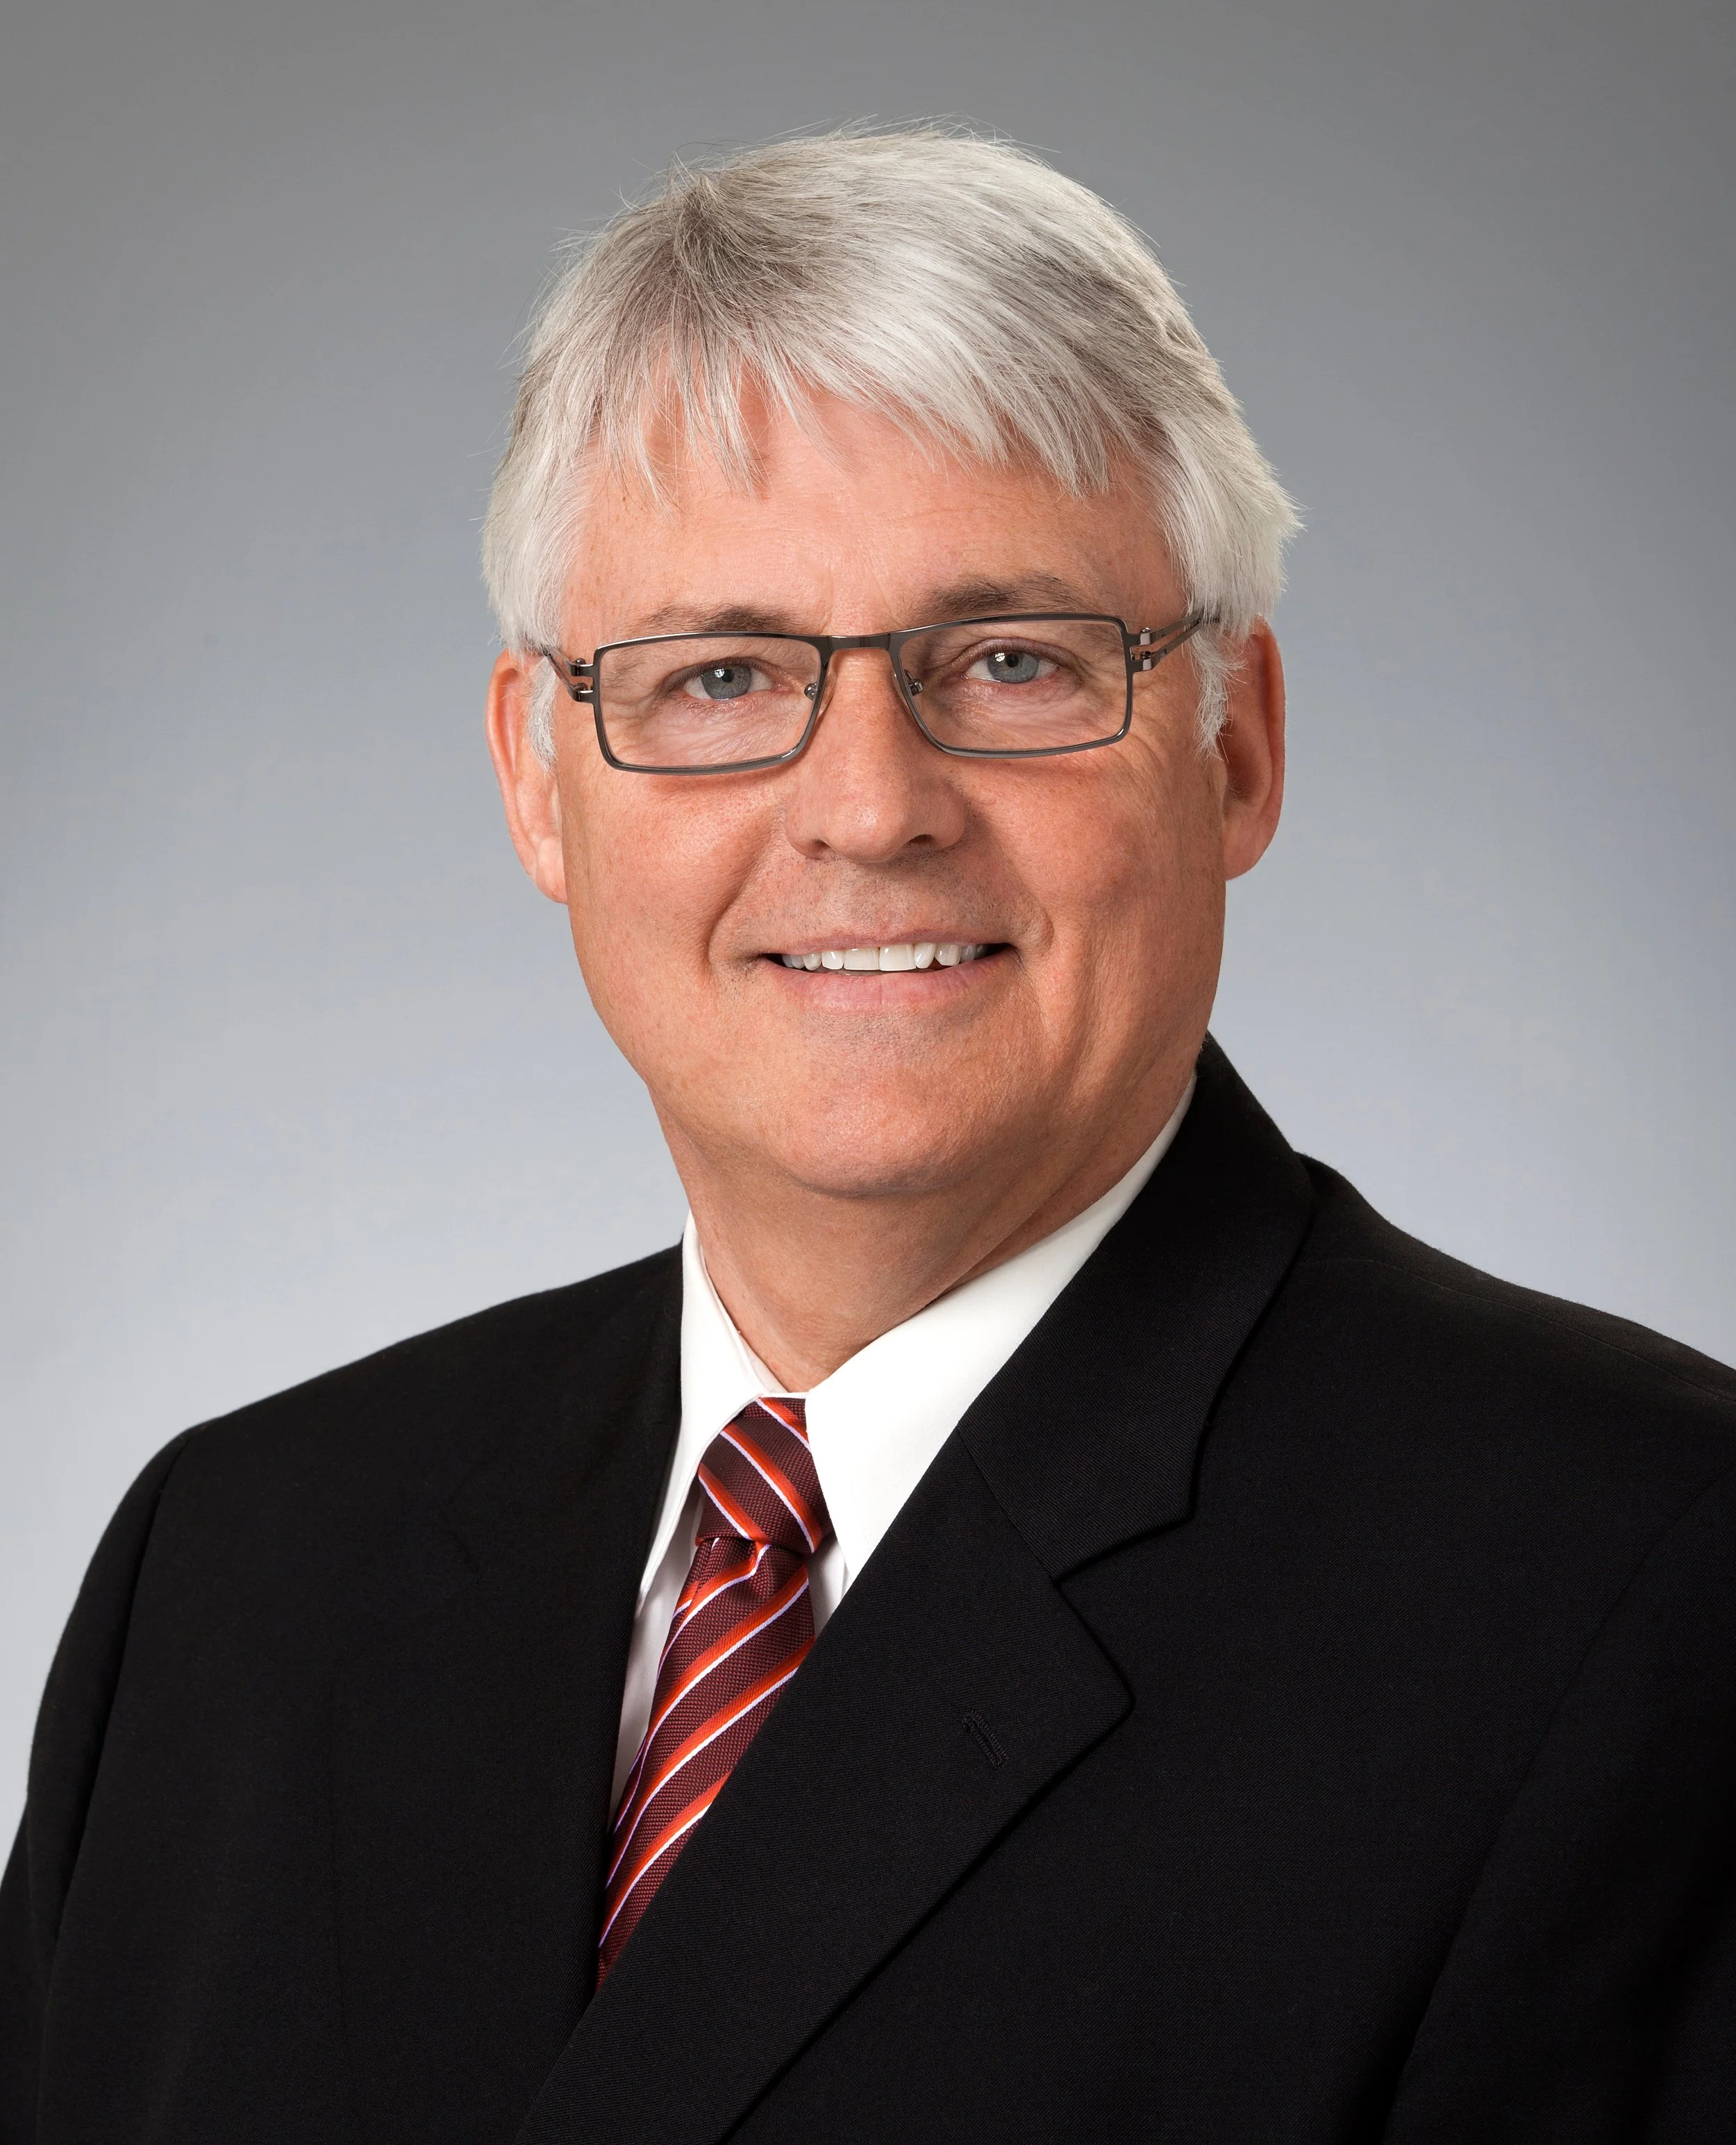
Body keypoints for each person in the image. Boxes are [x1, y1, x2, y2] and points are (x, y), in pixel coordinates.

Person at [3, 128, 1733, 2145]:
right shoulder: (235, 1569)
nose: (867, 805)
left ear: (1234, 744)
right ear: (540, 787)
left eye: (1007, 661)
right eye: (718, 674)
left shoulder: (1639, 1589)